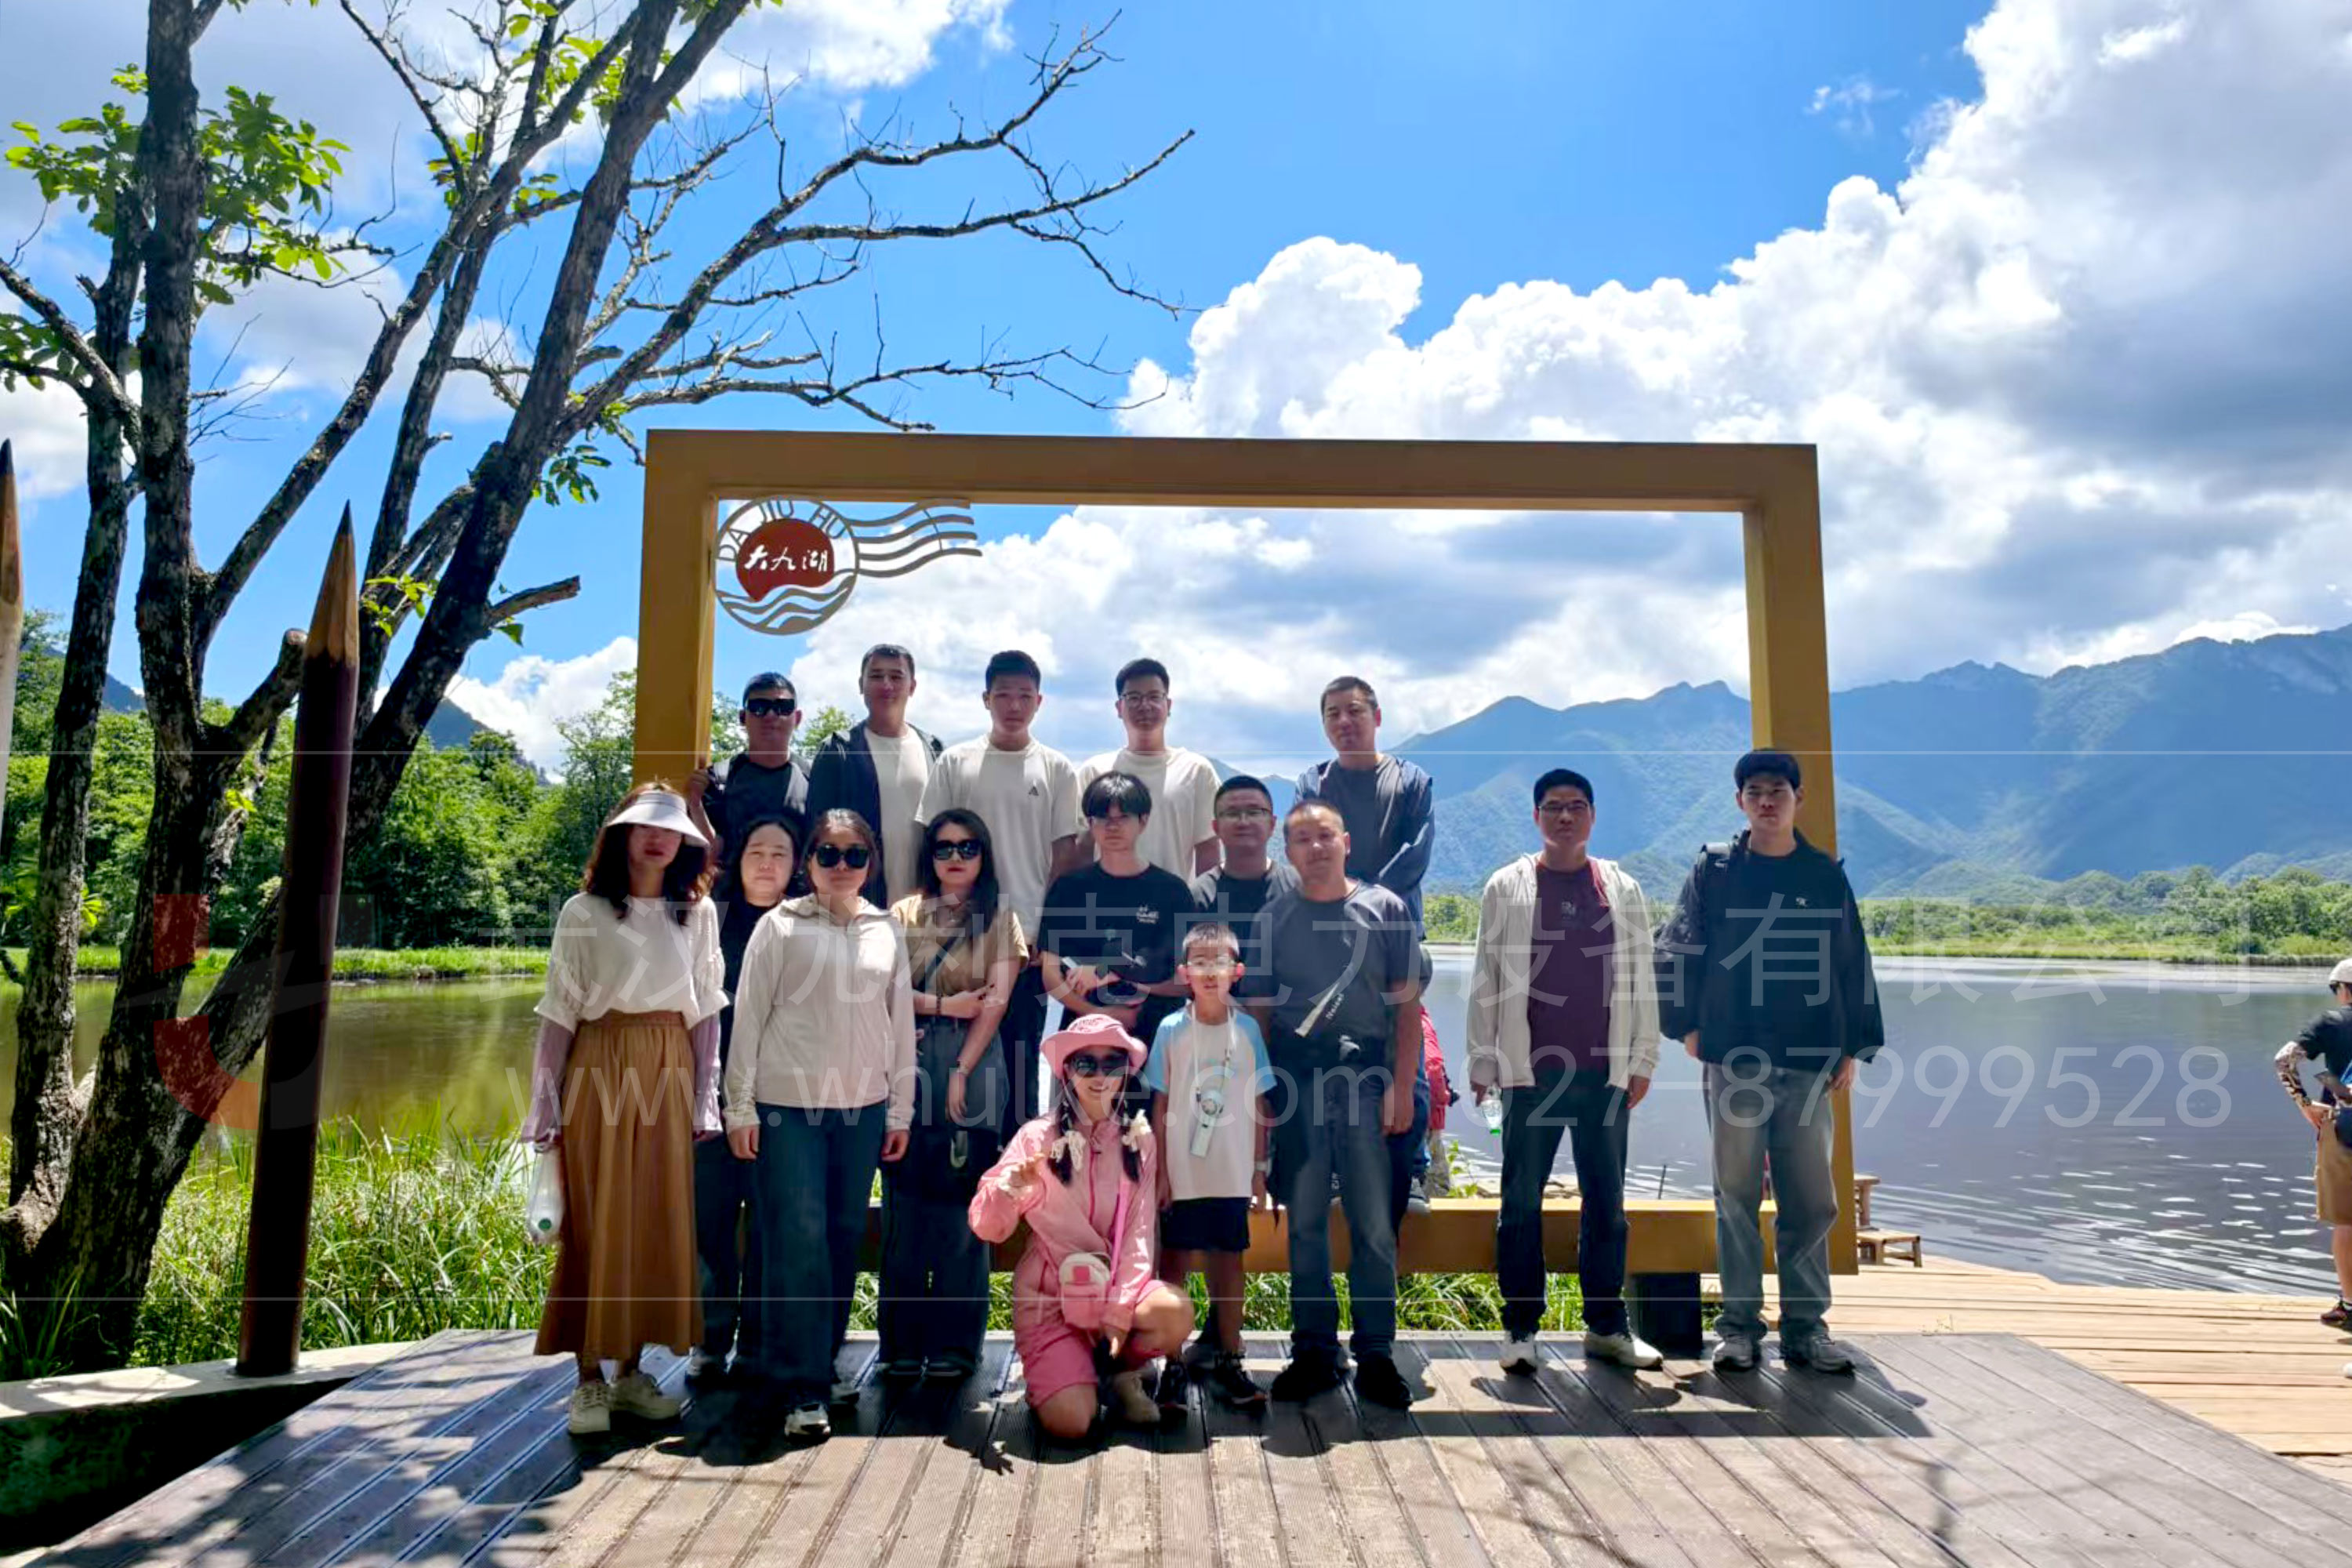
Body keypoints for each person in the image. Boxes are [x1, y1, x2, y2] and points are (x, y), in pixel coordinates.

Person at [1654, 748, 1884, 1375]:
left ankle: (1806, 1329)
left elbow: (1850, 960)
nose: (1766, 801)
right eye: (1754, 792)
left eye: (1777, 791)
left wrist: (1852, 1046)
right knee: (1735, 1195)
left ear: (1797, 799)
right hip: (1734, 1053)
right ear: (1740, 802)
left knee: (1810, 1200)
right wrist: (1686, 1026)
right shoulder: (1716, 870)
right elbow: (1676, 945)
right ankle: (1738, 1329)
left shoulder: (1822, 875)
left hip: (1809, 1057)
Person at [522, 784, 726, 1436]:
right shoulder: (582, 911)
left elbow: (707, 1012)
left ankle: (632, 1373)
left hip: (671, 1064)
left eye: (670, 829)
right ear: (622, 836)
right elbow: (559, 1011)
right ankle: (588, 1379)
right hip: (600, 1062)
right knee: (596, 1216)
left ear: (686, 843)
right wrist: (543, 1102)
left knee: (654, 1217)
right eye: (645, 826)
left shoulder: (697, 913)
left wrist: (707, 1097)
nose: (658, 838)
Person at [724, 810, 916, 1441]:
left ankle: (822, 1363)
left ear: (871, 862)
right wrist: (739, 1107)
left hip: (862, 1108)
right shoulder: (779, 926)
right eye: (828, 853)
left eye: (854, 855)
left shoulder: (885, 929)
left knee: (841, 1235)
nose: (841, 865)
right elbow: (748, 1019)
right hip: (788, 1108)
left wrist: (900, 1109)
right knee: (798, 1238)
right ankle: (801, 1387)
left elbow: (899, 1025)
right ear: (808, 861)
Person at [1467, 768, 1664, 1376]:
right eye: (1553, 806)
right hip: (1529, 1073)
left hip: (1604, 1072)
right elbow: (1485, 976)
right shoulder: (1508, 886)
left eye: (1577, 806)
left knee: (1607, 1203)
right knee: (1519, 1201)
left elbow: (1642, 976)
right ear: (1536, 817)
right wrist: (1482, 1058)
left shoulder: (1621, 888)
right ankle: (1520, 1327)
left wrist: (1643, 1058)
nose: (1565, 816)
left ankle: (1606, 1326)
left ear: (1592, 816)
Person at [1240, 799, 1421, 1409]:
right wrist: (1264, 1096)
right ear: (1287, 851)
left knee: (1373, 1224)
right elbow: (1259, 1017)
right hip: (1297, 1083)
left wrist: (1403, 1084)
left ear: (1346, 842)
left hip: (1368, 1082)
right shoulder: (1273, 918)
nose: (1315, 848)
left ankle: (1377, 1353)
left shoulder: (1386, 909)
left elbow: (1407, 1010)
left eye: (1325, 836)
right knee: (1306, 1223)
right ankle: (1314, 1351)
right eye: (1302, 839)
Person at [969, 1013, 1196, 1439]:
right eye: (1086, 1063)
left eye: (1112, 1063)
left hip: (1111, 1294)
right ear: (1067, 1071)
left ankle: (1120, 1374)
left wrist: (1118, 1314)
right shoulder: (1036, 1138)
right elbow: (987, 1228)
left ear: (1125, 1071)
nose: (1099, 1076)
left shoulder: (1139, 1140)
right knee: (1072, 1424)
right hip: (1050, 1301)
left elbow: (1139, 1238)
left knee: (1175, 1311)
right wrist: (1010, 1189)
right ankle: (1069, 1378)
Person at [882, 809, 1029, 1382]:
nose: (956, 857)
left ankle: (956, 1347)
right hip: (909, 1062)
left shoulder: (1000, 917)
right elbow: (886, 990)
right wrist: (944, 1005)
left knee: (966, 1210)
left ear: (984, 854)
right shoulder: (903, 914)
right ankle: (900, 1345)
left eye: (968, 847)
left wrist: (963, 1069)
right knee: (904, 1206)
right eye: (944, 847)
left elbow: (997, 1002)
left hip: (977, 1062)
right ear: (930, 856)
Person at [918, 649, 1085, 1139]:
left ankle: (1015, 1173)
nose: (1014, 705)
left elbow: (1065, 859)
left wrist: (1044, 936)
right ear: (986, 699)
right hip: (957, 939)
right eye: (1004, 695)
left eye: (1025, 696)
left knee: (1017, 1064)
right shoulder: (956, 762)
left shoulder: (1056, 768)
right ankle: (953, 1171)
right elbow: (932, 845)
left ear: (1039, 702)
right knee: (948, 1060)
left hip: (1026, 943)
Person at [1294, 677, 1437, 1218]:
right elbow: (1306, 847)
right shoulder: (1313, 782)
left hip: (1396, 938)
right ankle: (1335, 1167)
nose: (1343, 721)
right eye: (1332, 713)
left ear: (1377, 716)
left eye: (1353, 711)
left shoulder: (1411, 781)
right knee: (1332, 1051)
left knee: (1406, 1050)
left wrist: (1362, 902)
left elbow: (1415, 854)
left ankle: (1413, 1165)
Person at [691, 809, 805, 1385]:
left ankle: (758, 1342)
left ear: (796, 866)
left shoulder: (804, 926)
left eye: (780, 854)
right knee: (709, 1220)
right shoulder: (708, 919)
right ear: (738, 861)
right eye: (757, 852)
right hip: (711, 1096)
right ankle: (710, 1340)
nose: (767, 864)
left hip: (781, 1098)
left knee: (770, 1222)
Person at [1145, 922, 1274, 1410]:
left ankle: (1230, 1358)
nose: (1209, 971)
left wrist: (1258, 1170)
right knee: (1174, 1262)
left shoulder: (1248, 1031)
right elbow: (1160, 1104)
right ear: (1184, 972)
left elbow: (1260, 1104)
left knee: (1229, 1261)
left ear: (1236, 971)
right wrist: (1161, 1173)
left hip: (1231, 1170)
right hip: (1182, 1172)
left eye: (1219, 961)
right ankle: (1172, 1364)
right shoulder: (1170, 1030)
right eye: (1198, 962)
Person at [1040, 771, 1196, 1099]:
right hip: (1083, 1039)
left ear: (1144, 820)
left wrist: (1115, 973)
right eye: (1102, 818)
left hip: (1156, 1036)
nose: (1112, 827)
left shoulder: (1172, 892)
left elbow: (1185, 980)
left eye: (1123, 817)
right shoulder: (1069, 889)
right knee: (1076, 1129)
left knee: (1154, 1128)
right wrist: (1099, 1014)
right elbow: (1051, 975)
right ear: (1090, 823)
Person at [807, 644, 944, 908]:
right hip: (856, 909)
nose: (886, 685)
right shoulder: (839, 750)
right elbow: (815, 835)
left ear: (912, 686)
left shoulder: (934, 749)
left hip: (924, 911)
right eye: (876, 676)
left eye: (896, 676)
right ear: (861, 685)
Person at [1080, 658, 1219, 879]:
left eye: (1154, 697)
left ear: (1168, 706)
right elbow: (1083, 847)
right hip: (1104, 898)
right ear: (1119, 708)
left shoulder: (1196, 771)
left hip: (1174, 898)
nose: (1145, 706)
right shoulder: (1095, 771)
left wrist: (1204, 901)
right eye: (1134, 697)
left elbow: (1208, 849)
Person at [2273, 956, 2352, 1336]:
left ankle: (2349, 1306)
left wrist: (2305, 1105)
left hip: (2344, 1131)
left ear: (2344, 989)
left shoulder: (2331, 1022)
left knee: (2347, 1221)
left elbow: (2283, 1061)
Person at [1188, 775, 1299, 978]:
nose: (1243, 821)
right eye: (1232, 813)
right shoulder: (1199, 897)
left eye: (1255, 812)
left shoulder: (1299, 889)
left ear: (1272, 824)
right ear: (1216, 828)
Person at [690, 672, 811, 858]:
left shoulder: (816, 780)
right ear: (742, 717)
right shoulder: (716, 780)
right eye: (759, 707)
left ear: (798, 718)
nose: (771, 715)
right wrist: (695, 804)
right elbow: (709, 856)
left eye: (783, 707)